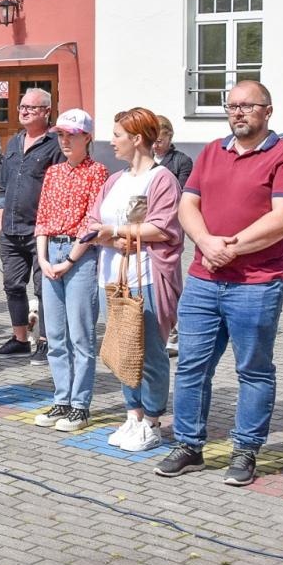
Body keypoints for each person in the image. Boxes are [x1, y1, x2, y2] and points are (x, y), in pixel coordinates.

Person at [154, 81, 283, 487]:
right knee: (191, 366)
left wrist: (232, 248)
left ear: (267, 111)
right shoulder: (210, 152)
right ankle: (189, 445)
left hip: (256, 283)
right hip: (204, 280)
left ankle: (246, 450)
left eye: (247, 106)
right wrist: (205, 242)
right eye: (232, 106)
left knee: (253, 370)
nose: (238, 112)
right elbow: (188, 203)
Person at [87, 109, 185, 452]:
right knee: (123, 349)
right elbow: (93, 220)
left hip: (147, 276)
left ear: (137, 139)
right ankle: (133, 414)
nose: (111, 141)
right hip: (114, 278)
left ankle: (153, 420)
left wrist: (116, 231)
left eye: (117, 135)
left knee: (151, 353)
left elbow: (164, 227)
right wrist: (113, 238)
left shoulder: (161, 180)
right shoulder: (115, 180)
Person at [32, 110, 110, 432]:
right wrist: (44, 259)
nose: (65, 141)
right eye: (61, 135)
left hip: (80, 255)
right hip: (52, 252)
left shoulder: (97, 172)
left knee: (81, 335)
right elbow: (43, 218)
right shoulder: (53, 173)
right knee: (55, 336)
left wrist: (70, 260)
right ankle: (61, 398)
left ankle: (80, 405)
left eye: (72, 135)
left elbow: (92, 223)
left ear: (87, 138)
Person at [0, 88, 61, 360]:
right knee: (12, 285)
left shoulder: (55, 145)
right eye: (22, 106)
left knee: (44, 287)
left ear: (46, 111)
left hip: (40, 230)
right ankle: (20, 338)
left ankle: (45, 340)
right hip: (10, 229)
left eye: (31, 108)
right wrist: (0, 213)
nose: (23, 111)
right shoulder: (14, 141)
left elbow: (58, 186)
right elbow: (3, 184)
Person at [152, 116, 194, 188]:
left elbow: (182, 193)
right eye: (151, 141)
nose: (154, 146)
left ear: (170, 137)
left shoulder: (182, 161)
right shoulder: (143, 158)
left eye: (159, 141)